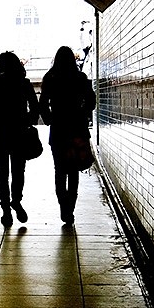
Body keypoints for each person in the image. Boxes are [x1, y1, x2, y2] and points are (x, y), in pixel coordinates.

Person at [0, 51, 40, 226]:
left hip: (0, 133)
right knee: (18, 171)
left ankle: (5, 211)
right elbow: (35, 107)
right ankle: (16, 201)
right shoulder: (24, 84)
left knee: (2, 173)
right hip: (19, 132)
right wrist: (28, 122)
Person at [38, 45, 97, 225]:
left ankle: (63, 205)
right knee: (73, 170)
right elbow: (92, 102)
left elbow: (42, 104)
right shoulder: (80, 78)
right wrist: (82, 114)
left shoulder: (50, 77)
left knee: (60, 170)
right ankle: (70, 209)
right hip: (77, 128)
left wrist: (49, 119)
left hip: (58, 129)